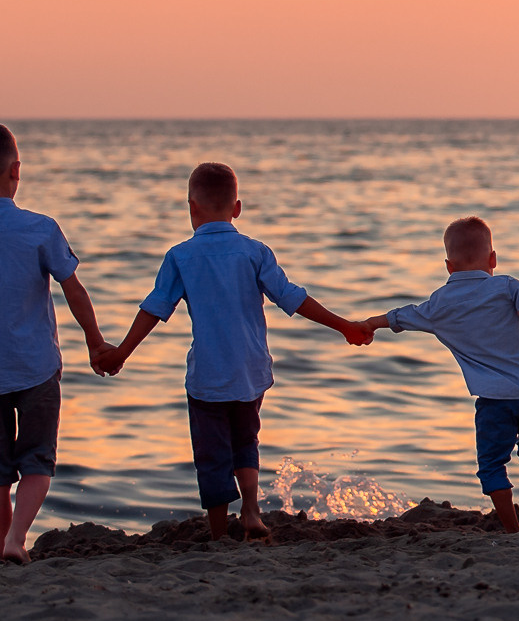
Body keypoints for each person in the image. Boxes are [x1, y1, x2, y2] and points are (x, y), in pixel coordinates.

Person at [100, 162, 372, 542]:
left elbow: (155, 308)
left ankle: (218, 535)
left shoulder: (180, 256)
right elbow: (292, 298)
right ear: (237, 208)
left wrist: (122, 352)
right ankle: (251, 510)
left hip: (208, 376)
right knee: (246, 440)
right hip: (250, 371)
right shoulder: (255, 252)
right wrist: (344, 325)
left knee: (212, 455)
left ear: (191, 207)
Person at [0, 122, 114, 564]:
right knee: (37, 462)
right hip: (36, 368)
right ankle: (17, 540)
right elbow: (74, 291)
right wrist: (95, 342)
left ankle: (1, 549)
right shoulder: (40, 229)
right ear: (17, 170)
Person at [362, 217, 519, 533]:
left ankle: (513, 531)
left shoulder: (439, 304)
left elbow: (400, 317)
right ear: (493, 259)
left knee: (492, 465)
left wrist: (369, 324)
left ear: (448, 266)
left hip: (495, 399)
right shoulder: (505, 286)